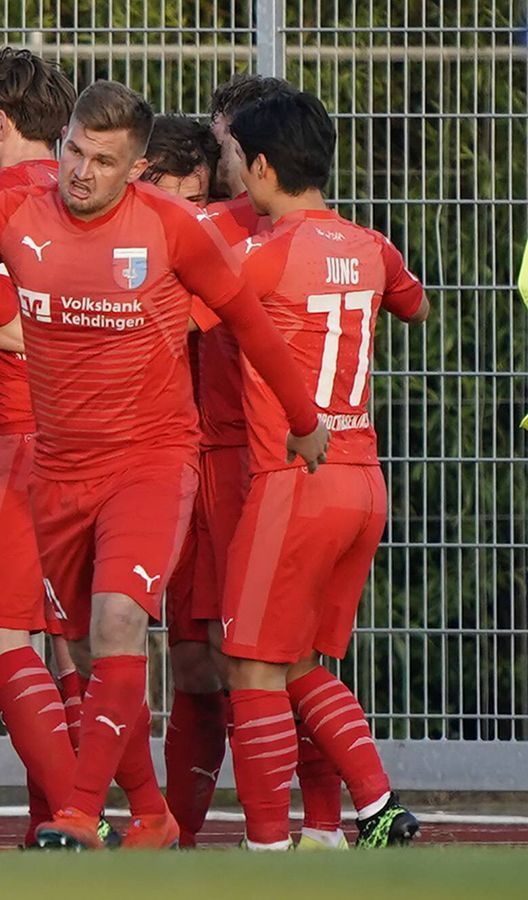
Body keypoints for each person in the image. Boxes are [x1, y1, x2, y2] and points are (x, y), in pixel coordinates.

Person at [0, 79, 330, 851]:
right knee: (81, 648)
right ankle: (149, 812)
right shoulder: (11, 213)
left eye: (103, 161)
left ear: (134, 170)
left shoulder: (172, 229)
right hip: (59, 471)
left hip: (151, 460)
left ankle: (77, 813)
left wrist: (304, 419)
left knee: (116, 624)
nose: (80, 171)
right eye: (74, 149)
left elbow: (246, 319)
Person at [221, 90, 427, 851]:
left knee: (251, 668)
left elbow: (184, 315)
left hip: (294, 479)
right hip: (362, 482)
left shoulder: (265, 250)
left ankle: (267, 848)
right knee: (300, 660)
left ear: (264, 166)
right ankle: (374, 807)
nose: (233, 174)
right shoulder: (372, 245)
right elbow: (416, 305)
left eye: (238, 160)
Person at [0, 48, 86, 849]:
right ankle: (62, 820)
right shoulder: (92, 192)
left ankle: (77, 807)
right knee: (72, 644)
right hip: (105, 438)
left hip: (26, 439)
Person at [136, 110, 233, 848]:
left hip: (243, 466)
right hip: (173, 466)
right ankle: (178, 838)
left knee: (264, 659)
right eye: (164, 193)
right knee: (193, 661)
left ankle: (326, 822)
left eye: (190, 196)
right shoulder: (137, 240)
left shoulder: (233, 237)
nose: (181, 212)